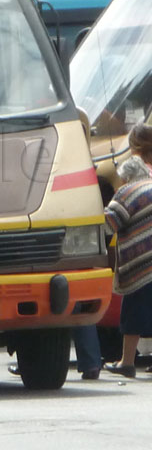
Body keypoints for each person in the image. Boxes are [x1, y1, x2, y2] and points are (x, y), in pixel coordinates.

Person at [103, 127, 152, 379]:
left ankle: (127, 362)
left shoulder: (127, 192)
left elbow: (109, 224)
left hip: (142, 265)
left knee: (133, 312)